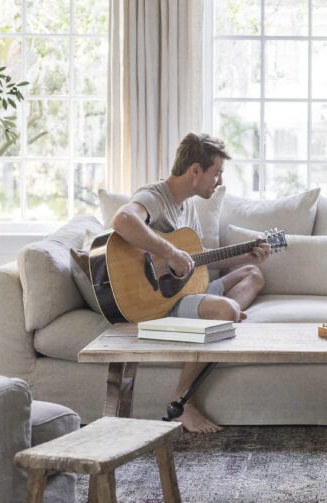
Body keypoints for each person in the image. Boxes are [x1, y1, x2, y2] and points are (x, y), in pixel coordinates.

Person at [111, 132, 270, 434]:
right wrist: (169, 252)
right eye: (217, 173)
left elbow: (196, 259)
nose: (220, 181)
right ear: (195, 170)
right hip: (160, 298)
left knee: (253, 273)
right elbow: (122, 221)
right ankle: (181, 403)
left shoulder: (189, 206)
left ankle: (227, 311)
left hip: (190, 290)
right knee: (225, 312)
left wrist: (244, 252)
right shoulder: (155, 195)